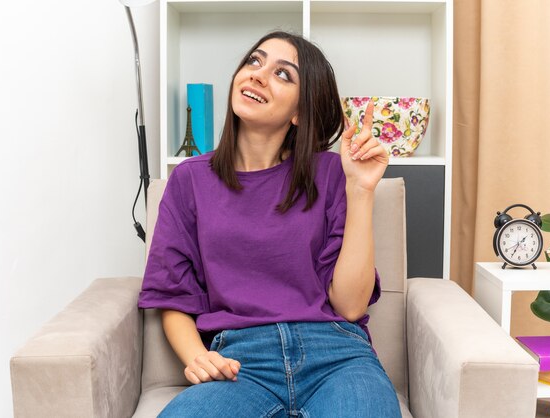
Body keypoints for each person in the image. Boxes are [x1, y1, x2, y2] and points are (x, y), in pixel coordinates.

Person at [138, 30, 401, 418]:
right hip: (240, 364)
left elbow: (349, 305)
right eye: (254, 62)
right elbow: (172, 294)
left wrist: (360, 190)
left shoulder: (331, 173)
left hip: (337, 356)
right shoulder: (190, 180)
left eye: (283, 74)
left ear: (299, 112)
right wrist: (197, 356)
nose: (258, 75)